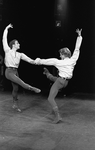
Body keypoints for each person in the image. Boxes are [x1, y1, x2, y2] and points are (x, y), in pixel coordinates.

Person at [35, 29, 82, 123]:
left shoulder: (59, 62)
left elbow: (47, 61)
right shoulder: (73, 60)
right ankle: (47, 73)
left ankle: (57, 116)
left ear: (63, 55)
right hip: (65, 82)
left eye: (61, 54)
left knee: (50, 98)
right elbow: (77, 49)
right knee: (54, 78)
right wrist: (79, 36)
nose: (60, 56)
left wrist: (38, 61)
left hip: (61, 81)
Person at [2, 24, 41, 112]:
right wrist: (6, 28)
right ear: (13, 45)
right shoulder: (7, 51)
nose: (19, 44)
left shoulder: (20, 54)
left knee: (16, 88)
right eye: (17, 43)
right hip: (9, 72)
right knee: (21, 83)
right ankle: (32, 88)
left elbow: (30, 60)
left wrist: (37, 61)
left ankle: (15, 104)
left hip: (15, 72)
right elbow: (4, 38)